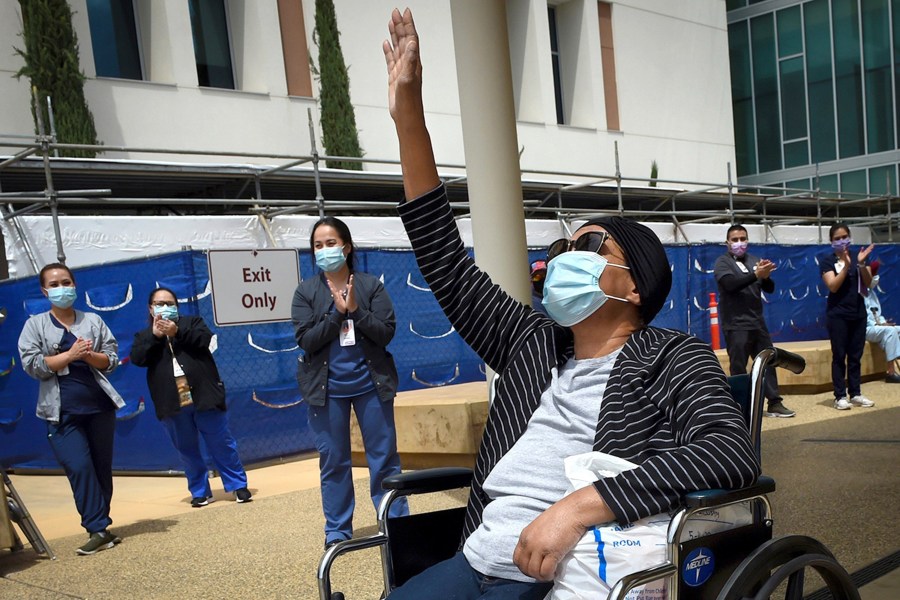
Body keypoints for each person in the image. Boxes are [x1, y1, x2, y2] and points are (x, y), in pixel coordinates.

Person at [383, 9, 758, 598]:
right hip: (477, 556)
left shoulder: (671, 356)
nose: (564, 260)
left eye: (587, 246)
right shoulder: (533, 342)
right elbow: (444, 260)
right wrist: (409, 116)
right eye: (563, 247)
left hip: (565, 571)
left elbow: (727, 451)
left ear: (634, 286)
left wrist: (580, 507)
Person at [291, 216, 408, 549]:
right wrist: (336, 314)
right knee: (334, 461)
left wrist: (355, 309)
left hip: (372, 385)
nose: (325, 250)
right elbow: (307, 340)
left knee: (384, 458)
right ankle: (338, 531)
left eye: (331, 243)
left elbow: (386, 333)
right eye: (318, 245)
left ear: (346, 247)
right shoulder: (306, 292)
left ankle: (395, 523)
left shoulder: (371, 286)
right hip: (326, 392)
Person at [17, 263, 125, 555]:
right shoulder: (35, 325)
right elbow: (34, 366)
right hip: (61, 412)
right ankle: (96, 525)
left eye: (66, 282)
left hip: (99, 407)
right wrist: (69, 355)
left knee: (101, 468)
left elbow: (112, 359)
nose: (61, 288)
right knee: (78, 466)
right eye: (54, 284)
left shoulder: (92, 320)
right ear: (44, 290)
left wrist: (89, 355)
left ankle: (100, 528)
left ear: (75, 285)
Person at [131, 287, 252, 507]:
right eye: (160, 304)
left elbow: (203, 340)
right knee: (187, 448)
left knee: (221, 442)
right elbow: (139, 358)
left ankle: (237, 485)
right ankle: (200, 491)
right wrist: (156, 336)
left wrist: (176, 332)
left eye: (170, 304)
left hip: (204, 394)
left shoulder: (191, 323)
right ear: (150, 308)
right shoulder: (143, 336)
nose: (165, 308)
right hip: (172, 401)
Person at [714, 224, 794, 417]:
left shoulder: (755, 261)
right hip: (736, 324)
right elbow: (730, 285)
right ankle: (741, 407)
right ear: (727, 243)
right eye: (735, 240)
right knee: (739, 367)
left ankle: (774, 402)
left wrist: (765, 277)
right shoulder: (722, 263)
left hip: (757, 323)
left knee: (768, 361)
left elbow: (770, 288)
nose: (739, 243)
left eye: (743, 239)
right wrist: (755, 275)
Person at [819, 223, 876, 410]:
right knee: (839, 355)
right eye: (837, 238)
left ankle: (856, 393)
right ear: (831, 241)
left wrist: (860, 264)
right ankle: (840, 396)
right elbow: (833, 286)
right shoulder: (827, 261)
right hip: (838, 315)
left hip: (858, 313)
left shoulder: (858, 257)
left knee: (855, 355)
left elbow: (868, 284)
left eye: (845, 237)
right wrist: (845, 267)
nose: (842, 241)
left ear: (850, 237)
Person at [863, 261, 900, 383]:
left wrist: (884, 322)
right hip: (865, 328)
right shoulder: (858, 293)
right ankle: (891, 372)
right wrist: (880, 324)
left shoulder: (871, 293)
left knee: (896, 329)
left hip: (877, 326)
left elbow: (877, 314)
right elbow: (863, 318)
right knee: (889, 332)